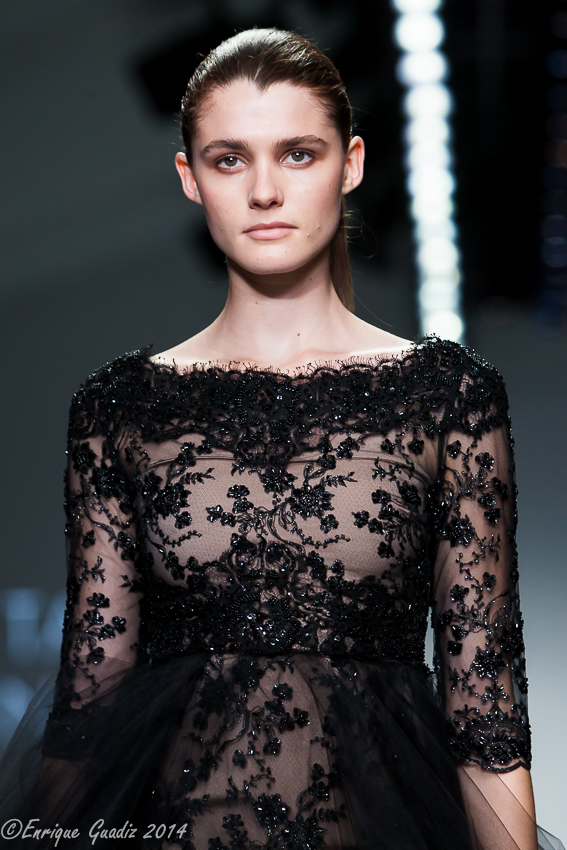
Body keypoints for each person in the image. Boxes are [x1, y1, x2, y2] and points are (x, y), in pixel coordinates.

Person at [0, 27, 563, 850]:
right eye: (230, 159)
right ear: (190, 178)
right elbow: (92, 696)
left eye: (297, 154)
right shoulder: (121, 408)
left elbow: (485, 709)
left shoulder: (445, 397)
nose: (264, 190)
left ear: (351, 163)